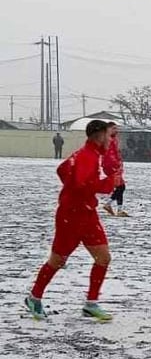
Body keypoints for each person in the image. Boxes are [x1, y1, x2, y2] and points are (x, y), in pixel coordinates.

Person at [24, 120, 121, 321]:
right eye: (108, 136)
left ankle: (91, 304)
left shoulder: (90, 153)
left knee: (103, 258)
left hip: (87, 214)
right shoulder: (87, 156)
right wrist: (108, 183)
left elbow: (62, 170)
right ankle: (34, 297)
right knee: (57, 261)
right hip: (72, 215)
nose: (110, 140)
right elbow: (82, 185)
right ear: (99, 136)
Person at [102, 122, 128, 217]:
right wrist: (116, 164)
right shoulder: (107, 139)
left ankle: (118, 209)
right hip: (111, 166)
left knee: (120, 187)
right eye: (113, 128)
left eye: (116, 128)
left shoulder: (113, 139)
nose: (116, 130)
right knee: (121, 187)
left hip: (114, 165)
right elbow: (108, 154)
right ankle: (110, 205)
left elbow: (116, 152)